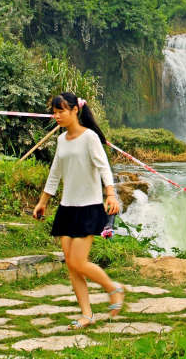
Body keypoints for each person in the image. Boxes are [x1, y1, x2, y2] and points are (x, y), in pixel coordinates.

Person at [33, 92, 124, 330]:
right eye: (54, 112)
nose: (56, 116)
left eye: (61, 110)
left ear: (75, 110)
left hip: (88, 207)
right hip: (67, 208)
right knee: (72, 265)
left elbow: (104, 168)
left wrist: (111, 195)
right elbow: (55, 173)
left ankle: (113, 289)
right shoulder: (62, 140)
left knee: (79, 261)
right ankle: (87, 314)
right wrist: (43, 202)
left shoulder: (90, 137)